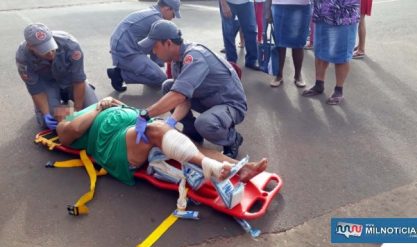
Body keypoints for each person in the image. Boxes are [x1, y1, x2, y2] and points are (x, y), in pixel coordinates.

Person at [54, 97, 267, 186]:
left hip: (132, 131)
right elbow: (73, 130)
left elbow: (132, 112)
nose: (67, 107)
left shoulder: (96, 106)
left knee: (191, 145)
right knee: (154, 130)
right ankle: (213, 167)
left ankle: (242, 170)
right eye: (63, 109)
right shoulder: (66, 123)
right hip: (113, 144)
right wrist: (100, 107)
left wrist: (115, 104)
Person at [135, 20, 247, 159]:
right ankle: (193, 131)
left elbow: (178, 96)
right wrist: (171, 122)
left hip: (230, 104)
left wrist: (145, 114)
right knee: (168, 86)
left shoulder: (194, 56)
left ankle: (232, 138)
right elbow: (183, 98)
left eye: (155, 46)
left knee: (205, 123)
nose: (153, 51)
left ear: (168, 43)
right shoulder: (177, 60)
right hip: (208, 98)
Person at [15, 23, 98, 130]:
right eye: (43, 50)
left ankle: (66, 108)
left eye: (50, 46)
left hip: (70, 81)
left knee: (93, 110)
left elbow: (78, 80)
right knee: (51, 120)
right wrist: (46, 113)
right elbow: (35, 90)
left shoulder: (70, 44)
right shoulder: (23, 57)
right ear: (31, 47)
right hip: (47, 85)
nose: (50, 53)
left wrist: (78, 111)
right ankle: (43, 110)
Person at [107, 0, 181, 92]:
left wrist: (158, 67)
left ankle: (152, 70)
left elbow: (156, 45)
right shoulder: (157, 20)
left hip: (125, 45)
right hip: (125, 51)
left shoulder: (152, 13)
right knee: (161, 79)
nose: (172, 18)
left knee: (157, 42)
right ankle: (119, 74)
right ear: (167, 9)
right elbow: (166, 46)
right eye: (173, 14)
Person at [302, 0, 360, 105]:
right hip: (322, 13)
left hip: (344, 14)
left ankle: (339, 89)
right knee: (320, 51)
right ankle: (319, 84)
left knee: (341, 54)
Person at [266, 0, 311, 88]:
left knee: (298, 43)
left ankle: (298, 75)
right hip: (279, 5)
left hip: (301, 5)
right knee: (280, 43)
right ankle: (279, 75)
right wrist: (267, 10)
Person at [219, 0, 260, 70]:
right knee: (228, 32)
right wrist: (224, 4)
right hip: (229, 3)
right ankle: (231, 61)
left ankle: (252, 61)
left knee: (251, 31)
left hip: (247, 3)